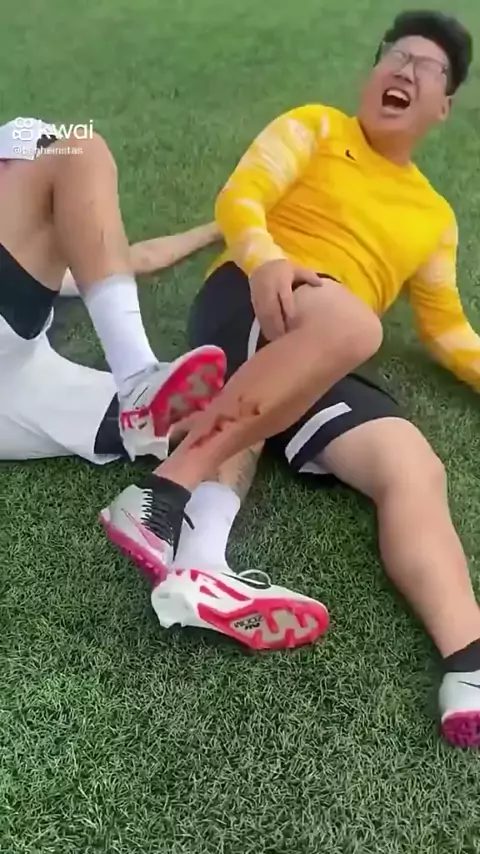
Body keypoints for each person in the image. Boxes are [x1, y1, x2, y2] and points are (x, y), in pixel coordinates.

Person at [101, 9, 480, 748]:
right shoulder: (316, 127)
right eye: (396, 55)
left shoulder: (434, 217)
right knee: (353, 328)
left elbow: (448, 332)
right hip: (252, 292)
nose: (404, 70)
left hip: (326, 346)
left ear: (444, 104)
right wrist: (265, 257)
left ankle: (468, 664)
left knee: (414, 466)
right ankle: (159, 496)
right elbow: (241, 197)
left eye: (426, 67)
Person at [0, 120, 226, 466]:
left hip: (19, 388)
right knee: (81, 149)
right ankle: (137, 378)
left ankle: (139, 387)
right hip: (20, 382)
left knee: (203, 412)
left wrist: (215, 230)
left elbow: (140, 258)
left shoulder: (46, 263)